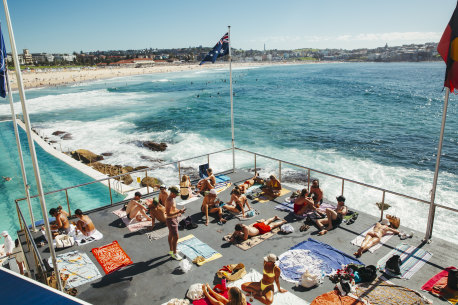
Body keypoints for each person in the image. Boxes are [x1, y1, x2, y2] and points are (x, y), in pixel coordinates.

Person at [165, 186, 186, 260]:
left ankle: (171, 250)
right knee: (176, 237)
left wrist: (179, 212)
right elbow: (168, 213)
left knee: (171, 234)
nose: (177, 195)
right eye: (176, 194)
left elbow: (173, 209)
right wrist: (179, 211)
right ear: (172, 193)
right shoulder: (169, 200)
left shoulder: (172, 198)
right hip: (171, 220)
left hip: (174, 218)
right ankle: (174, 253)